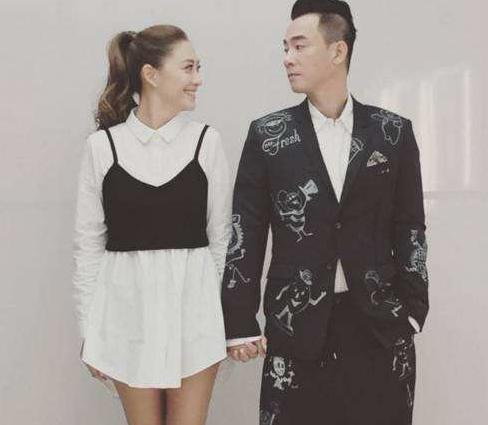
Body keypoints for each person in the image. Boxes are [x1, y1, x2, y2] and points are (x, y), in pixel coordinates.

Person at [222, 1, 429, 424]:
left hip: (379, 325)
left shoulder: (392, 132)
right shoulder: (268, 136)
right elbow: (246, 230)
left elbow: (410, 225)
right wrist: (238, 318)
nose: (287, 58)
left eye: (299, 46)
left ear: (338, 51)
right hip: (296, 326)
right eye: (285, 47)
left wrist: (413, 308)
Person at [72, 24, 231, 425]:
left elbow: (222, 240)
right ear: (151, 74)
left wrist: (210, 312)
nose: (198, 79)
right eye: (189, 68)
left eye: (198, 68)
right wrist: (91, 331)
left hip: (195, 319)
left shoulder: (206, 142)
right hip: (126, 320)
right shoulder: (102, 148)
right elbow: (88, 247)